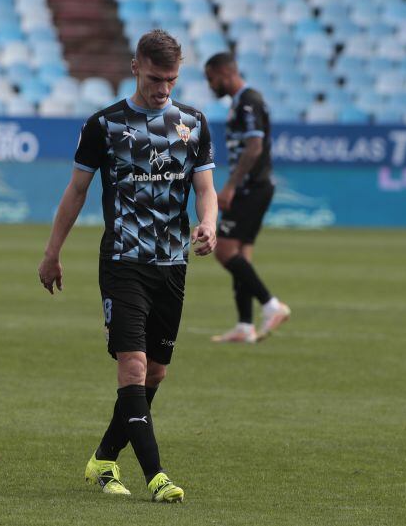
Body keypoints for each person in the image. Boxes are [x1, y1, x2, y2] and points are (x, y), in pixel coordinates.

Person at [38, 30, 216, 503]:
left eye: (172, 80)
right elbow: (77, 191)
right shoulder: (105, 125)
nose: (164, 89)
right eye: (156, 78)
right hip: (124, 261)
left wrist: (210, 224)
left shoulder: (193, 123)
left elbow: (204, 189)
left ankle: (102, 459)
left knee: (155, 373)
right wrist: (53, 252)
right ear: (136, 66)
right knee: (133, 368)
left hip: (172, 264)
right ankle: (157, 477)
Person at [203, 52, 290, 344]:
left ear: (224, 73)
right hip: (257, 187)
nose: (210, 84)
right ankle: (244, 326)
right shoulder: (242, 102)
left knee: (224, 251)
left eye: (211, 78)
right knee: (242, 256)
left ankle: (271, 305)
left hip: (251, 188)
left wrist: (230, 186)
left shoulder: (248, 100)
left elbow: (254, 147)